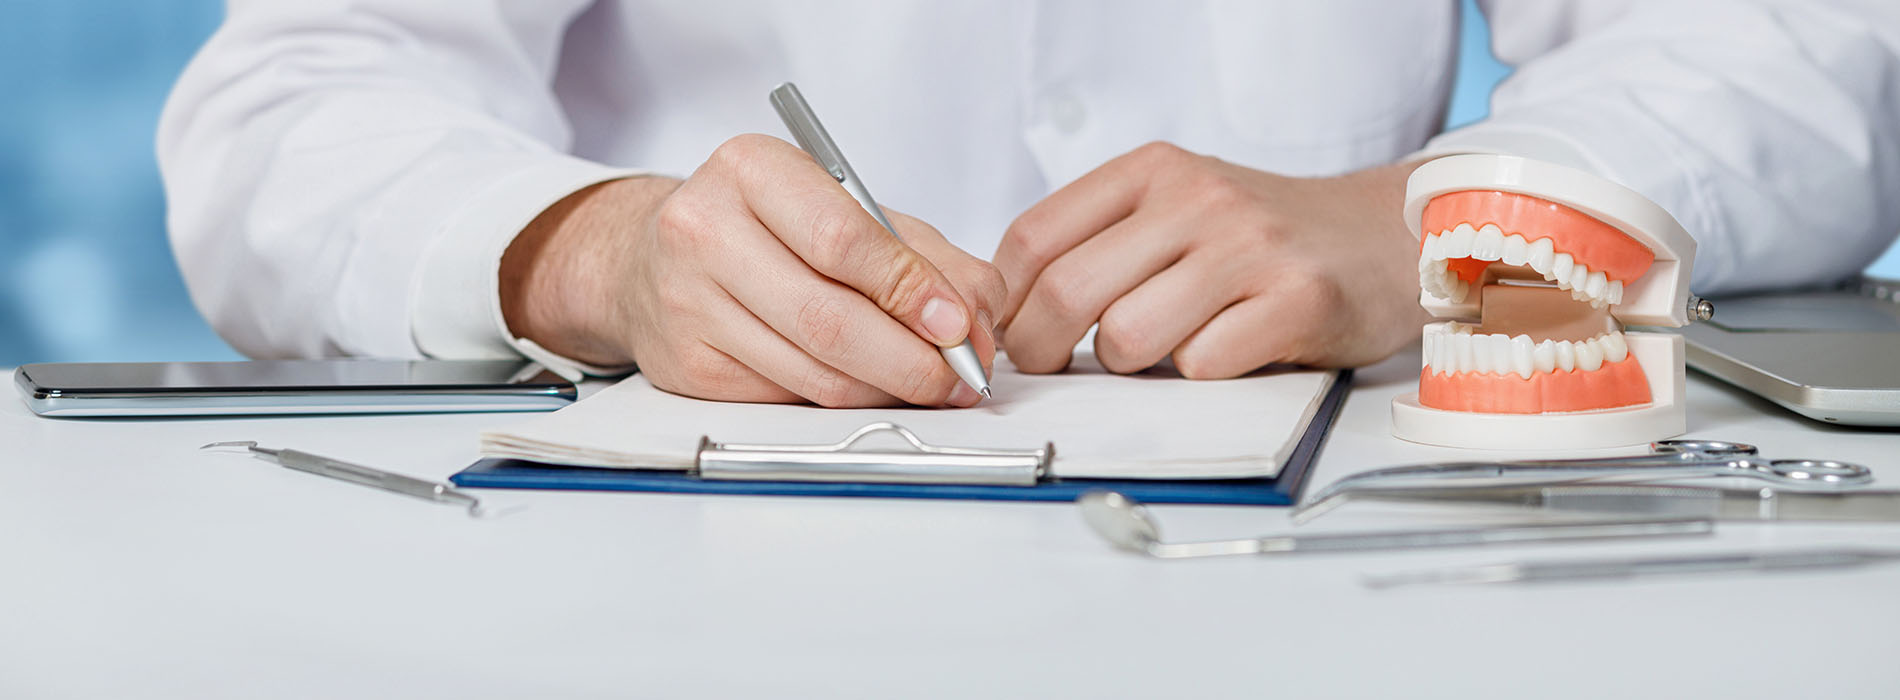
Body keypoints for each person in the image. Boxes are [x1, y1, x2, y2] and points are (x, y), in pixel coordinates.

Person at [159, 1, 1900, 408]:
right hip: (661, 539)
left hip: (1336, 564)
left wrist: (1442, 226)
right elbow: (296, 95)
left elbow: (1802, 60)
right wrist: (590, 253)